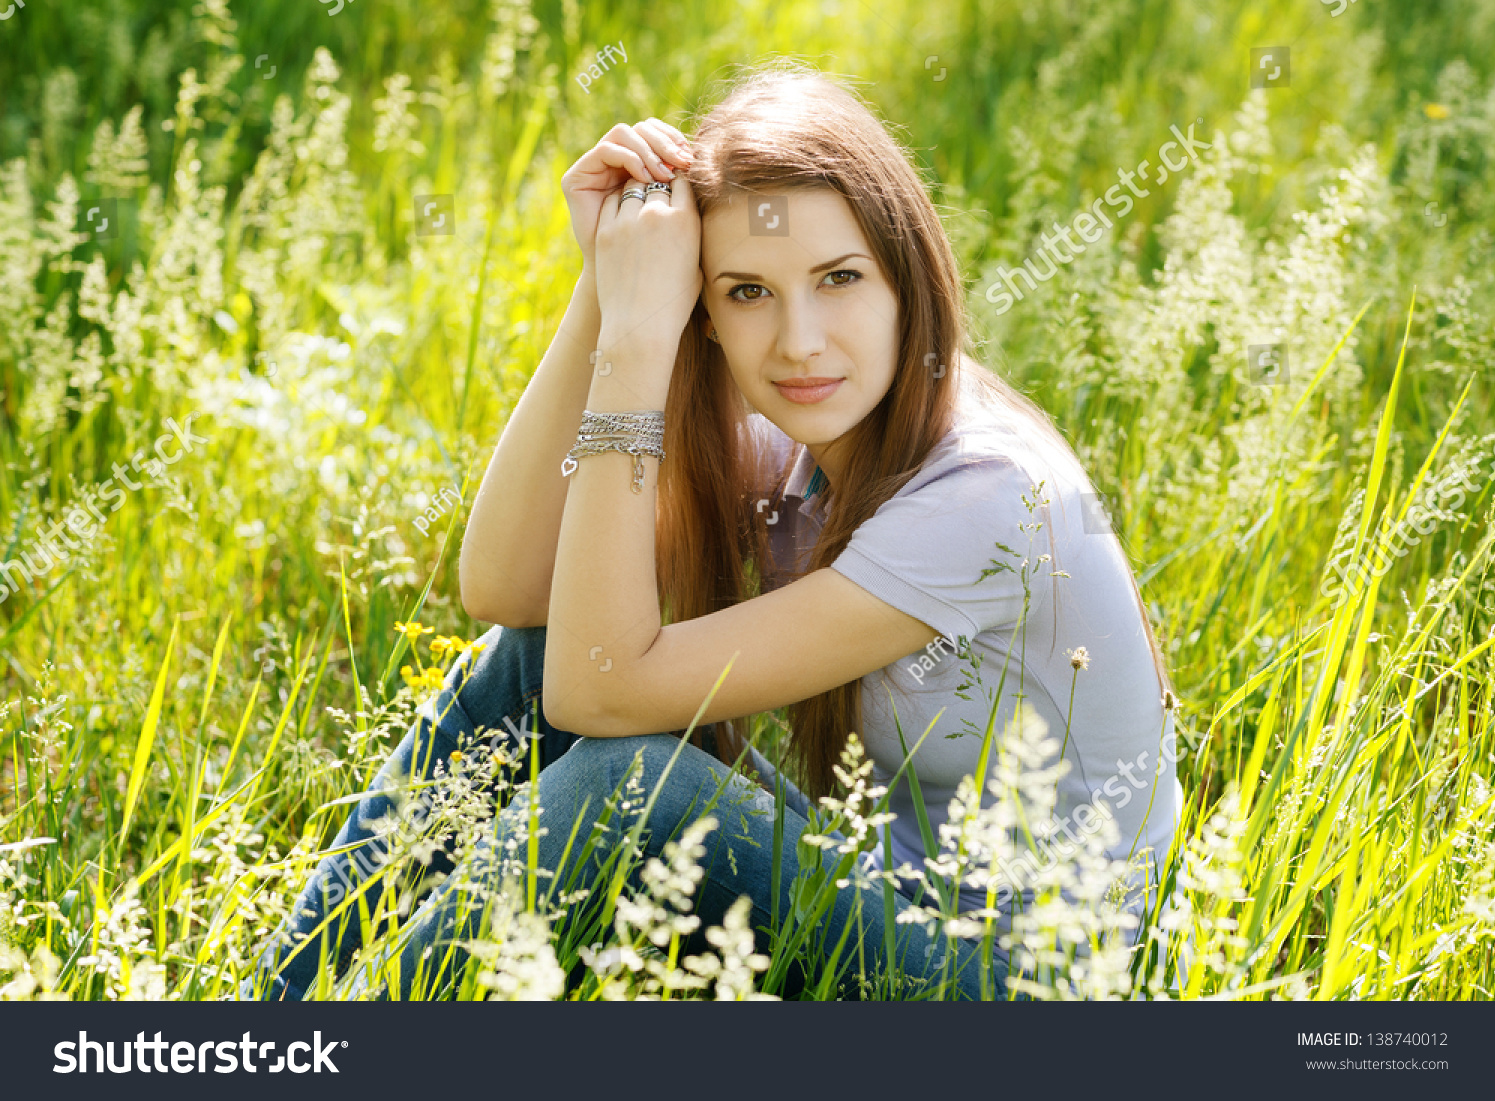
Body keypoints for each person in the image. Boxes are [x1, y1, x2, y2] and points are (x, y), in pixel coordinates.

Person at [241, 61, 1180, 1002]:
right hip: (892, 901)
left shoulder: (986, 496)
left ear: (908, 277)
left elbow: (599, 694)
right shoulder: (817, 442)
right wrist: (606, 297)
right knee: (530, 659)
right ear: (707, 313)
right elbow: (508, 591)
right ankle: (273, 1019)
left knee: (628, 781)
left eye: (839, 278)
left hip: (1027, 985)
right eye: (747, 292)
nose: (799, 340)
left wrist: (638, 349)